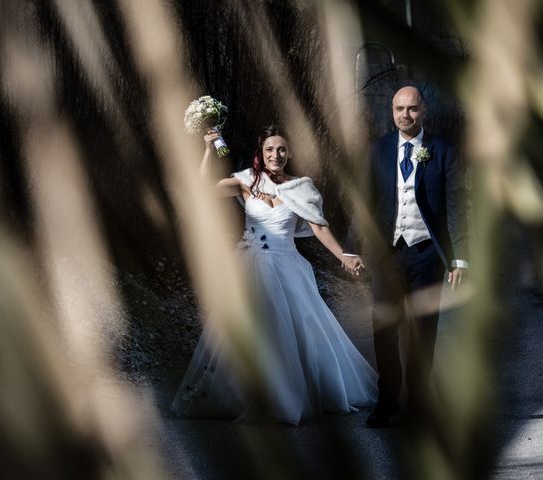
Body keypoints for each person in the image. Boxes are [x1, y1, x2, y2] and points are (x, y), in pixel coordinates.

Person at [170, 125, 377, 425]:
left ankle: (288, 397)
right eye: (269, 150)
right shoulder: (246, 181)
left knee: (294, 332)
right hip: (249, 265)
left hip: (287, 266)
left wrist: (343, 255)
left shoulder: (301, 188)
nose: (275, 155)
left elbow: (319, 227)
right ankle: (247, 395)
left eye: (281, 149)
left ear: (289, 153)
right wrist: (207, 149)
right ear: (261, 152)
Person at [344, 86, 469, 428]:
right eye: (399, 108)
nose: (405, 115)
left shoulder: (444, 151)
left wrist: (460, 258)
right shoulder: (377, 150)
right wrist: (352, 247)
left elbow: (457, 206)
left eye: (412, 109)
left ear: (423, 110)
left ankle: (418, 402)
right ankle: (387, 401)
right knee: (383, 327)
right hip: (388, 254)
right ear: (392, 111)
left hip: (427, 254)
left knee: (423, 330)